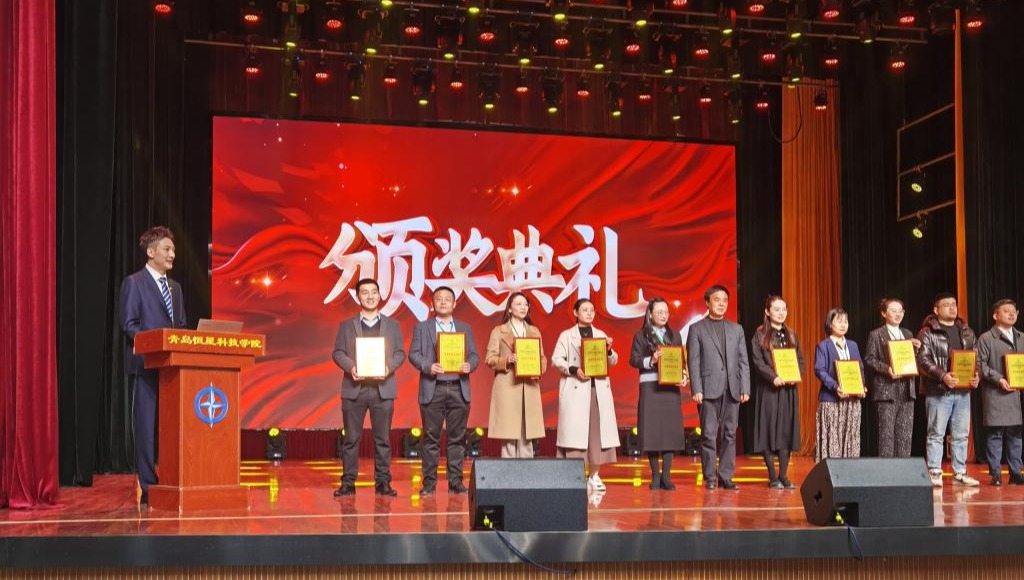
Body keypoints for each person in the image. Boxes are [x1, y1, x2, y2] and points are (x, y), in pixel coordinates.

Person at [120, 226, 188, 505]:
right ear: (151, 252)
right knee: (147, 428)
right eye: (167, 249)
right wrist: (156, 344)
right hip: (146, 366)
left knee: (173, 427)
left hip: (172, 367)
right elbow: (129, 325)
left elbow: (181, 326)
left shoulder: (176, 288)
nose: (172, 255)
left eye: (173, 250)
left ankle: (171, 477)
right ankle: (148, 485)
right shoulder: (134, 283)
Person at [331, 278, 406, 497]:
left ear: (380, 295)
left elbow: (400, 353)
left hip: (383, 388)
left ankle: (383, 483)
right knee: (351, 439)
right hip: (354, 389)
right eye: (365, 292)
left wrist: (388, 368)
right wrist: (351, 367)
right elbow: (338, 353)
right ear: (358, 297)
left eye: (374, 292)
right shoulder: (347, 325)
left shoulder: (392, 325)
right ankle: (348, 483)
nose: (370, 296)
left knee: (382, 439)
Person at [408, 286, 480, 495]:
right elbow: (413, 354)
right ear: (432, 304)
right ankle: (429, 483)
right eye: (439, 299)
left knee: (457, 438)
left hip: (458, 387)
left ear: (454, 304)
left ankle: (455, 482)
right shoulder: (422, 328)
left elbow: (474, 355)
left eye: (447, 299)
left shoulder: (465, 328)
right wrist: (428, 366)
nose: (443, 302)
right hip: (433, 387)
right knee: (431, 439)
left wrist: (469, 364)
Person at [687, 284, 750, 491]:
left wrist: (745, 387)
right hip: (707, 389)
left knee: (730, 434)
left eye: (725, 300)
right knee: (708, 435)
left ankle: (726, 476)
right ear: (707, 303)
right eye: (717, 300)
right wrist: (696, 388)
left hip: (732, 389)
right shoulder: (697, 328)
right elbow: (693, 361)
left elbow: (743, 361)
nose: (721, 304)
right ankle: (710, 477)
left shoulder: (736, 329)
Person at [553, 299, 620, 491]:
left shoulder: (600, 335)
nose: (589, 313)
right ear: (575, 312)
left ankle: (594, 475)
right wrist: (574, 370)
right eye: (585, 310)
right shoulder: (567, 335)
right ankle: (577, 475)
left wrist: (608, 350)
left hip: (597, 390)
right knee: (576, 434)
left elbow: (613, 360)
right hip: (576, 388)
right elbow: (556, 359)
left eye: (592, 310)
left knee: (596, 434)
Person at [917, 292, 980, 487]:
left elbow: (975, 357)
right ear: (936, 310)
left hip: (963, 391)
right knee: (936, 433)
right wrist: (943, 375)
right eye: (946, 305)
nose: (952, 308)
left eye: (954, 304)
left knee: (961, 434)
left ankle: (959, 471)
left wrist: (976, 375)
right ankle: (935, 471)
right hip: (938, 390)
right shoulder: (927, 332)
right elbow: (923, 360)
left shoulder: (967, 331)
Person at [628, 298, 688, 491]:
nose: (663, 315)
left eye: (666, 312)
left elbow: (681, 361)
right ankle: (655, 475)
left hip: (670, 388)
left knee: (670, 431)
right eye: (659, 312)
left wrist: (684, 375)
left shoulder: (675, 335)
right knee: (652, 431)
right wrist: (651, 360)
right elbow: (634, 360)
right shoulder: (641, 335)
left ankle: (666, 476)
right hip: (650, 387)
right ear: (650, 314)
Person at [750, 295, 803, 489]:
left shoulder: (792, 335)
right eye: (776, 309)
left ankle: (784, 475)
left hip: (788, 391)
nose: (781, 313)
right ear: (767, 311)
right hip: (769, 390)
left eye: (784, 309)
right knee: (767, 430)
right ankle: (772, 476)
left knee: (786, 431)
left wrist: (796, 375)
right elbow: (757, 362)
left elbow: (800, 361)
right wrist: (773, 377)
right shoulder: (759, 334)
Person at [485, 292, 547, 458]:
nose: (523, 307)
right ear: (510, 308)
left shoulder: (534, 331)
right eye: (518, 304)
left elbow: (542, 358)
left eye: (525, 304)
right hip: (508, 386)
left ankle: (527, 472)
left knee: (527, 435)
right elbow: (489, 358)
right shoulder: (499, 331)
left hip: (529, 386)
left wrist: (538, 370)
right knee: (509, 436)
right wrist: (507, 360)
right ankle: (508, 472)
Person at [863, 298, 920, 458]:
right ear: (883, 313)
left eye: (900, 311)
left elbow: (910, 361)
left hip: (907, 390)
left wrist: (916, 351)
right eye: (893, 310)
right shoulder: (876, 334)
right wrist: (887, 369)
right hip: (886, 391)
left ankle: (903, 469)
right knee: (886, 436)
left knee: (905, 435)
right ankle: (886, 470)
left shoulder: (907, 334)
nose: (897, 314)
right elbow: (869, 359)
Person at [976, 299, 1023, 486]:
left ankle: (1016, 473)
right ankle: (995, 474)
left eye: (1014, 311)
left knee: (1015, 435)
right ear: (995, 315)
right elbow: (980, 365)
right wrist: (999, 379)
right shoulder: (986, 338)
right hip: (995, 393)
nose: (1011, 314)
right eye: (1006, 311)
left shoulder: (1021, 337)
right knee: (995, 435)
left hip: (1015, 395)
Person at [813, 308, 865, 462]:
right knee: (833, 443)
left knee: (851, 440)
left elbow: (860, 368)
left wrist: (862, 386)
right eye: (839, 321)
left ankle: (849, 472)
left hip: (852, 401)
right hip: (832, 400)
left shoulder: (853, 345)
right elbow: (819, 370)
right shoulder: (823, 346)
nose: (843, 325)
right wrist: (836, 386)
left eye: (846, 321)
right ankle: (831, 472)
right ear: (830, 324)